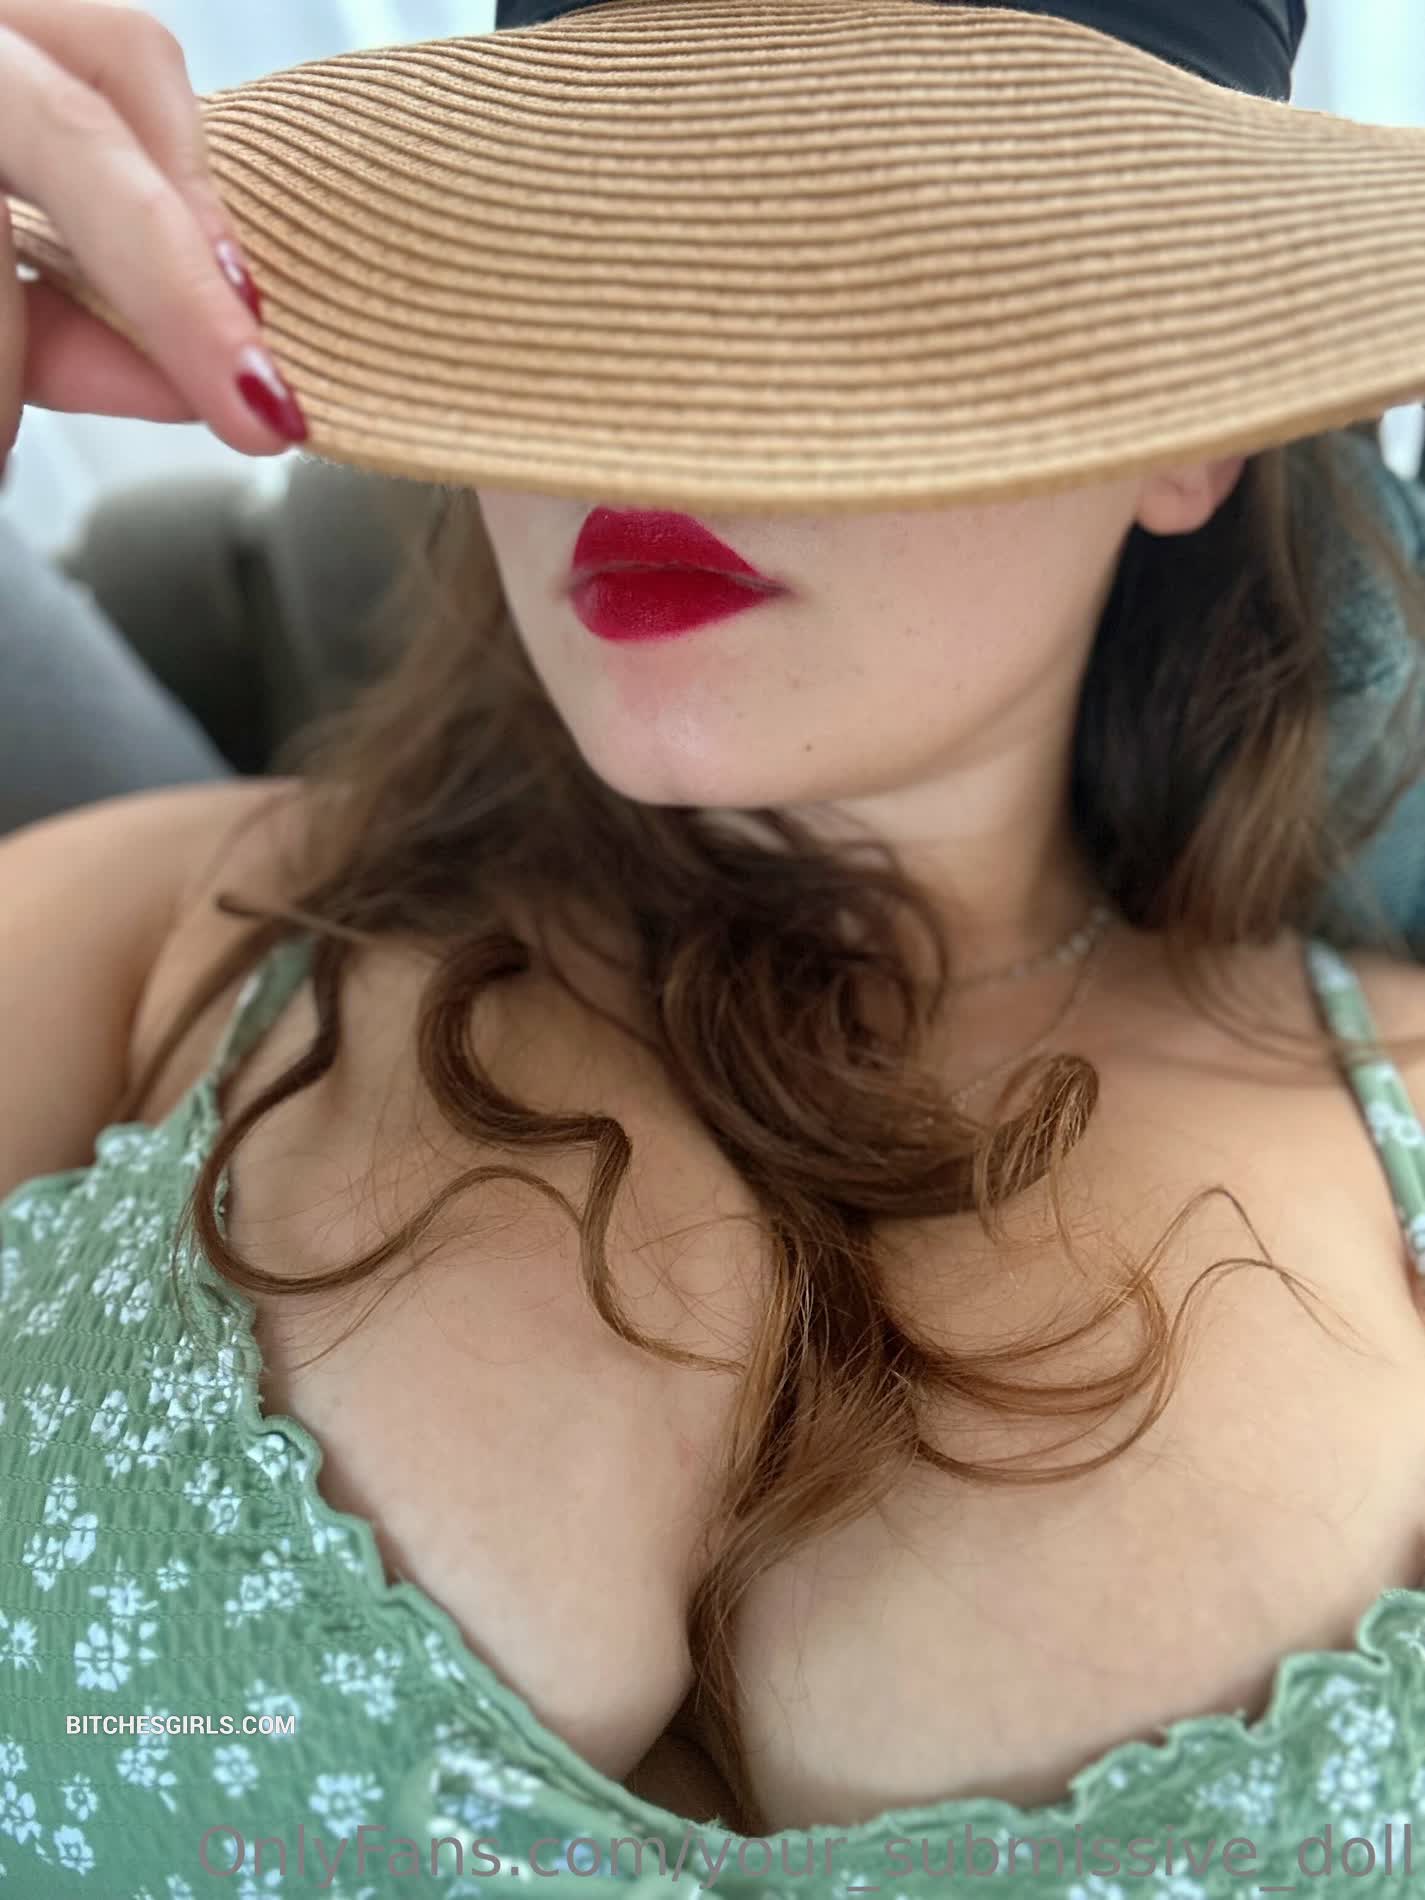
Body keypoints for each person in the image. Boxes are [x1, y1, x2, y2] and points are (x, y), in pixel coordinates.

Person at [6, 2, 1425, 1895]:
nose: (637, 416)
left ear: (1195, 427)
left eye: (852, 262)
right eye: (574, 262)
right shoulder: (154, 929)